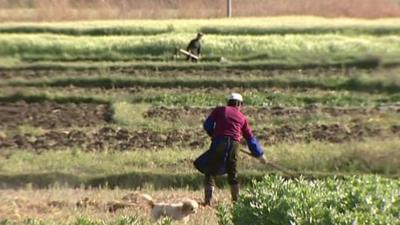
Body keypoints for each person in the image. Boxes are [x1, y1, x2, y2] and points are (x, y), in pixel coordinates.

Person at [194, 93, 266, 206]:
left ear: (229, 102)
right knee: (233, 173)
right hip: (234, 144)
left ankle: (208, 202)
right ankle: (236, 202)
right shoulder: (242, 117)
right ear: (240, 104)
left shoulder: (220, 110)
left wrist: (213, 134)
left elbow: (207, 125)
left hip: (219, 142)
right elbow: (250, 138)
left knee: (210, 170)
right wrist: (259, 154)